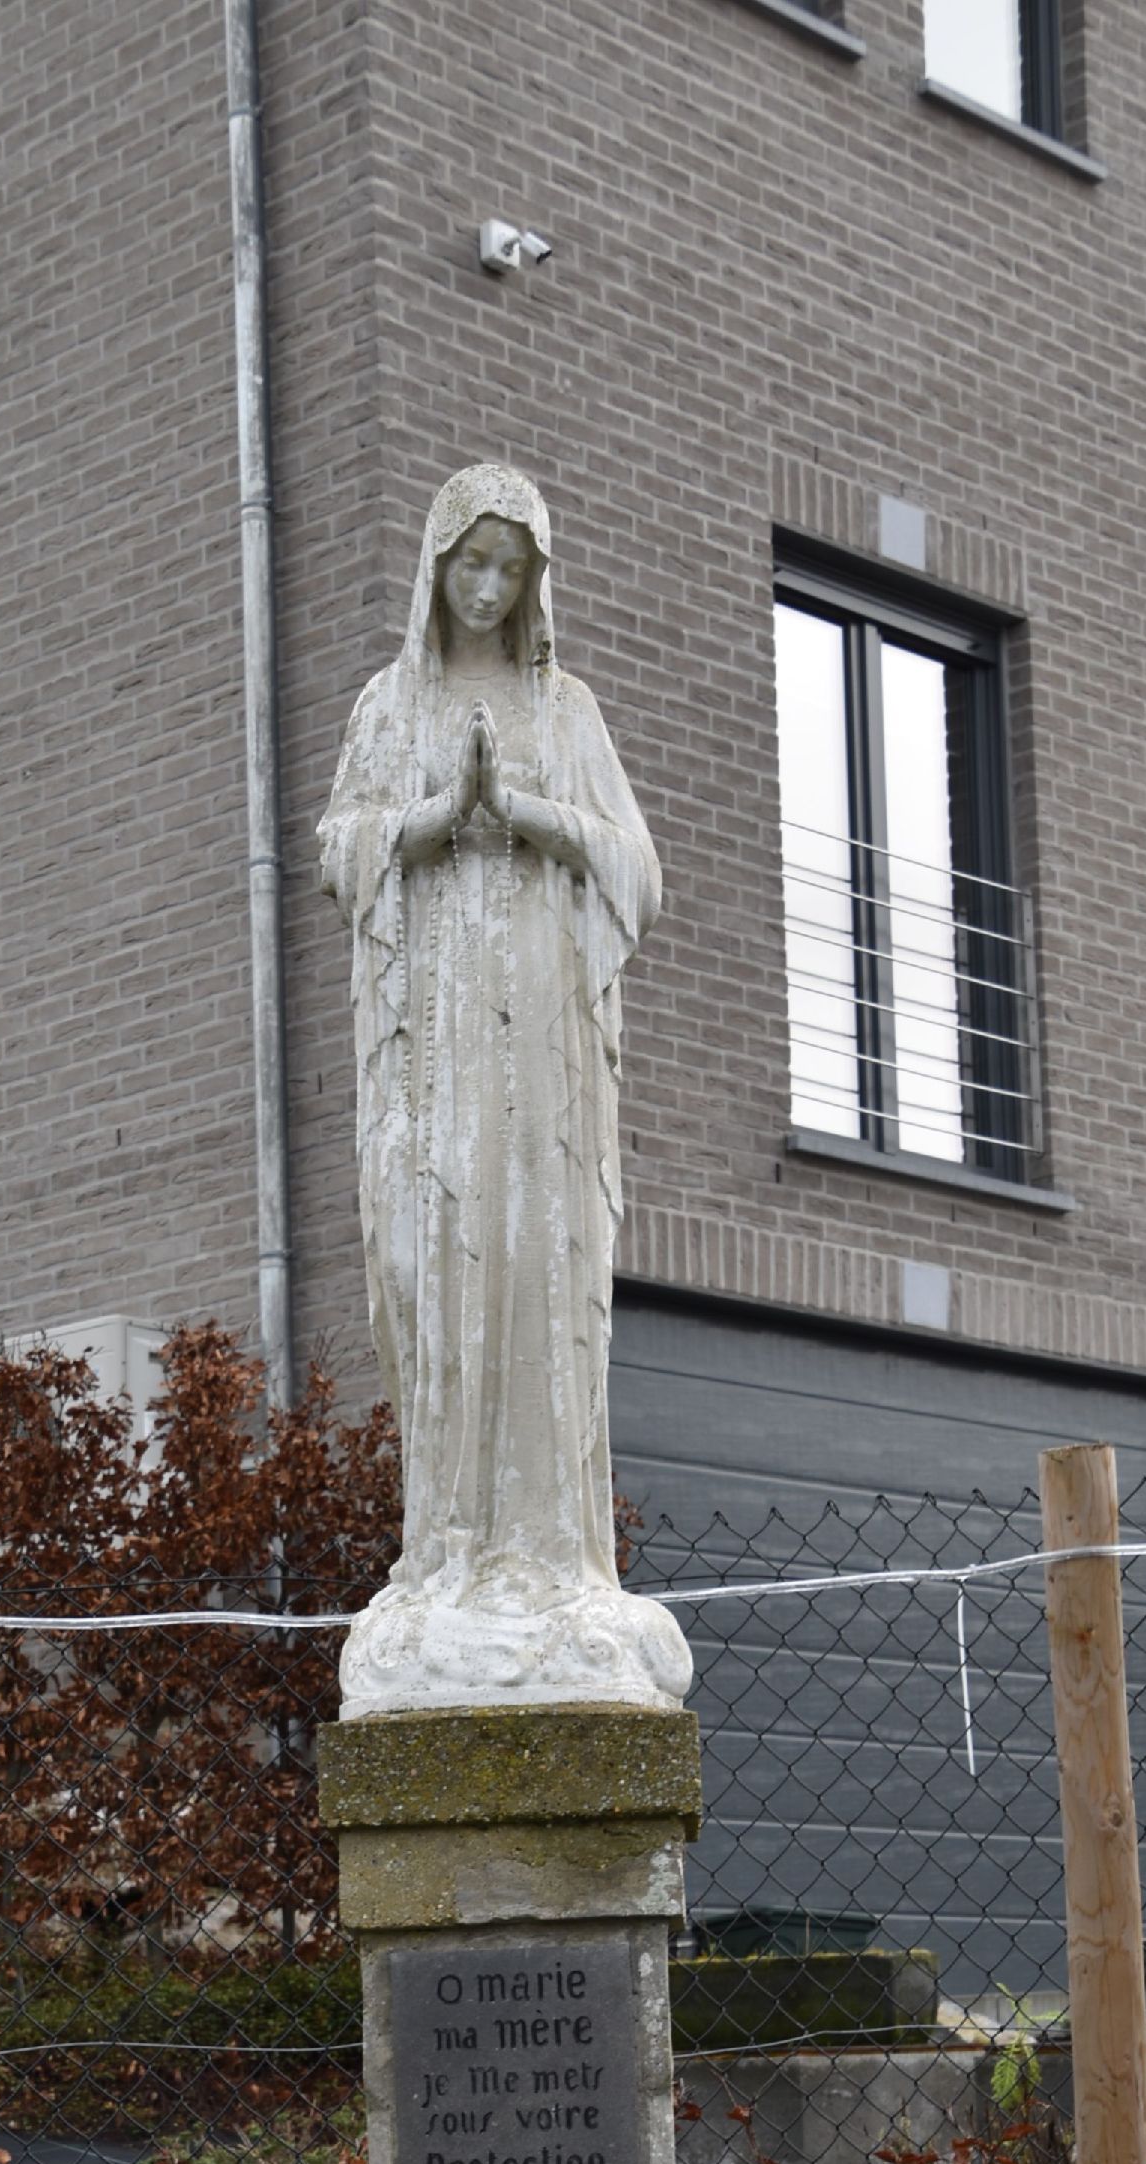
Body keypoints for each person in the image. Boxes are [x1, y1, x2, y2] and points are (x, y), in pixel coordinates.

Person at [318, 461, 692, 1717]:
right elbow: (340, 846)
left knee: (536, 1266)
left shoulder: (564, 708)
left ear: (535, 580)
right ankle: (446, 1556)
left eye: (508, 568)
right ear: (435, 567)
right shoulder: (389, 706)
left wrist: (528, 813)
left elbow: (637, 870)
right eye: (468, 564)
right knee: (429, 1263)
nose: (485, 588)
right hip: (432, 1051)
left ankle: (550, 1563)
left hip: (539, 1050)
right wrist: (430, 822)